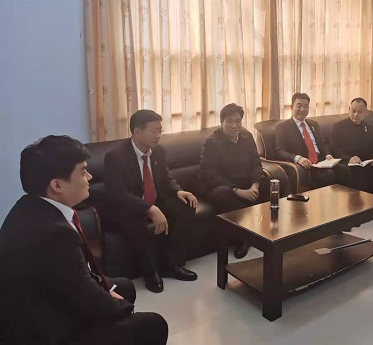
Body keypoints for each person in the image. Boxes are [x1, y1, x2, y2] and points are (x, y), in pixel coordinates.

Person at [0, 135, 168, 344]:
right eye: (82, 172)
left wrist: (109, 296)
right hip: (45, 329)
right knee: (153, 324)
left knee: (124, 286)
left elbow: (73, 277)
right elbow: (86, 297)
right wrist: (122, 307)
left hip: (44, 298)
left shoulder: (28, 206)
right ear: (57, 185)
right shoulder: (53, 234)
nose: (89, 177)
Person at [104, 110, 199, 293]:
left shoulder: (158, 151)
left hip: (155, 200)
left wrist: (178, 191)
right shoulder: (116, 157)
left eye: (160, 131)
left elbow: (166, 177)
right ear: (137, 132)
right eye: (154, 131)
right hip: (129, 206)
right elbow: (117, 193)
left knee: (186, 206)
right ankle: (150, 272)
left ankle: (172, 265)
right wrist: (149, 209)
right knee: (134, 221)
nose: (159, 135)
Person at [199, 103, 267, 258]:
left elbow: (256, 164)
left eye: (238, 121)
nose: (234, 125)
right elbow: (210, 174)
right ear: (221, 122)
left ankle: (267, 229)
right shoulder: (212, 142)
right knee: (223, 194)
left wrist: (255, 185)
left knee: (272, 183)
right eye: (229, 121)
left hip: (245, 183)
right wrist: (237, 191)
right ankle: (242, 238)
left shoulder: (247, 137)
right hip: (220, 185)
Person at [275, 93, 337, 188]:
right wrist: (298, 158)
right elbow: (279, 151)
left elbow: (322, 144)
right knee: (329, 174)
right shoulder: (283, 127)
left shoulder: (313, 124)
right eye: (299, 106)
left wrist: (328, 155)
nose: (302, 109)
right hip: (305, 165)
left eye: (306, 106)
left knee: (344, 170)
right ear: (292, 107)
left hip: (321, 162)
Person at [330, 97, 373, 194]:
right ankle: (357, 202)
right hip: (347, 161)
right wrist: (349, 159)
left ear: (365, 113)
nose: (355, 115)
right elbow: (334, 148)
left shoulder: (369, 128)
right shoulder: (338, 127)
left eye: (360, 112)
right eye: (353, 111)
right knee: (356, 171)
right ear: (349, 109)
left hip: (365, 161)